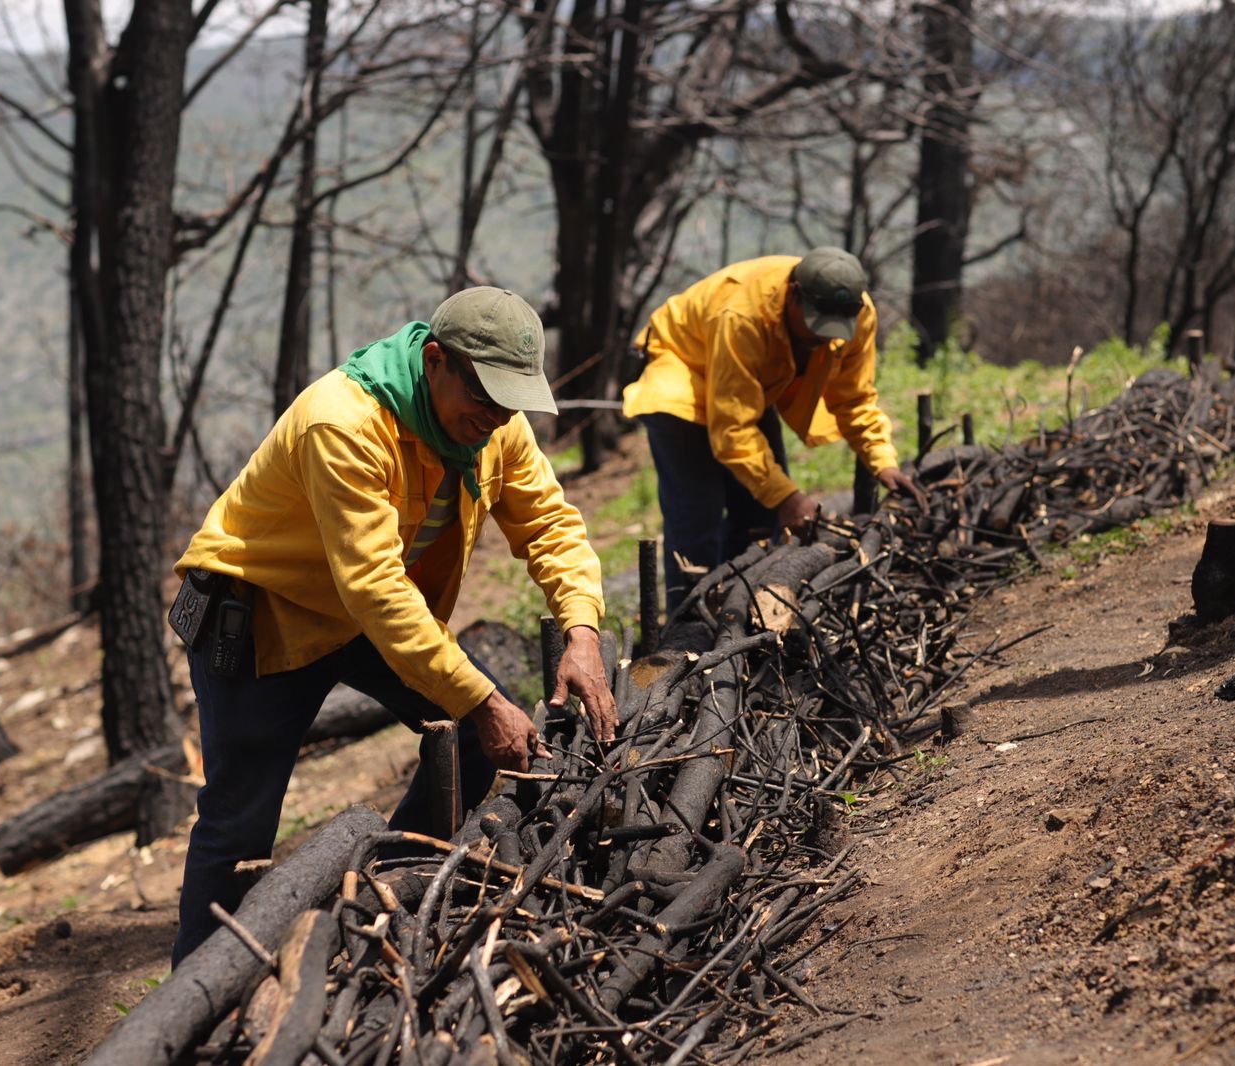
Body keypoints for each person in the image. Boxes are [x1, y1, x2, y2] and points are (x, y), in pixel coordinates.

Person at [168, 286, 617, 965]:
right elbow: (376, 589)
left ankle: (388, 898)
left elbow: (549, 523)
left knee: (468, 731)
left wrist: (581, 628)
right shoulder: (343, 423)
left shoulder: (495, 424)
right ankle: (194, 995)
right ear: (435, 360)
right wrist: (484, 698)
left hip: (367, 613)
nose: (496, 418)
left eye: (508, 402)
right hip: (266, 616)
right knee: (240, 823)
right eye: (484, 398)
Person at [621, 247, 926, 610]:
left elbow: (855, 398)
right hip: (682, 370)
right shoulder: (743, 316)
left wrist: (883, 461)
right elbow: (733, 430)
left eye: (832, 331)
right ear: (793, 294)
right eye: (814, 325)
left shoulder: (856, 315)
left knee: (761, 514)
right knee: (697, 514)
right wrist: (788, 498)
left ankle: (739, 611)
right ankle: (685, 627)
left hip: (746, 385)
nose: (822, 340)